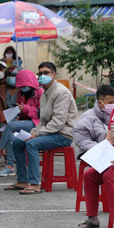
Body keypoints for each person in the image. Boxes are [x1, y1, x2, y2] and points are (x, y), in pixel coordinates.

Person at [6, 62, 77, 194]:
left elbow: (58, 122)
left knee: (32, 144)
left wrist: (37, 134)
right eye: (40, 73)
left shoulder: (61, 92)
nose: (42, 75)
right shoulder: (45, 93)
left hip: (62, 135)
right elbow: (43, 120)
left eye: (46, 73)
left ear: (54, 75)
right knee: (16, 141)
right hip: (50, 132)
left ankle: (34, 183)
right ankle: (22, 181)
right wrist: (34, 131)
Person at [74, 87, 114, 228]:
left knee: (110, 176)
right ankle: (92, 219)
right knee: (89, 175)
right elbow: (109, 139)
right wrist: (98, 157)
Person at [0, 69, 43, 177]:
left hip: (37, 124)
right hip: (25, 122)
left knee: (11, 126)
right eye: (20, 86)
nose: (22, 88)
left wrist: (25, 108)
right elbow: (21, 112)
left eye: (24, 85)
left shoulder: (40, 93)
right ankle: (10, 167)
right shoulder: (21, 93)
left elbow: (42, 113)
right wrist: (18, 113)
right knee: (12, 138)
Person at [73, 85, 114, 159]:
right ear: (100, 103)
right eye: (110, 103)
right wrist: (101, 149)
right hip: (92, 152)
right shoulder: (87, 117)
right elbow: (82, 140)